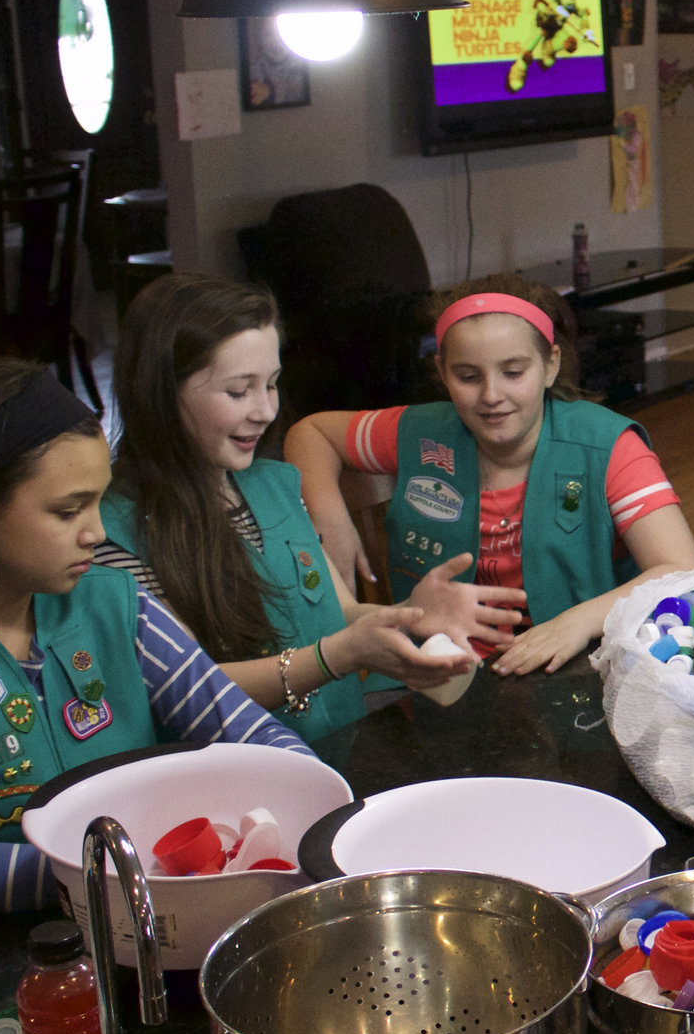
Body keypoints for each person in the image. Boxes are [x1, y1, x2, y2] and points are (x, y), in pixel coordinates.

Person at [0, 362, 319, 967]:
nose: (95, 533)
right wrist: (120, 870)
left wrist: (303, 803)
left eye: (98, 502)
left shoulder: (111, 604)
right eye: (67, 510)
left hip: (112, 931)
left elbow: (246, 730)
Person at [98, 275, 513, 740]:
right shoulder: (115, 538)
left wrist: (409, 614)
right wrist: (335, 657)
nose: (265, 410)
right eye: (238, 391)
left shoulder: (275, 486)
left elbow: (335, 616)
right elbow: (187, 691)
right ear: (160, 391)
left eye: (272, 384)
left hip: (338, 753)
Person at [289, 272, 694, 675]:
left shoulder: (606, 445)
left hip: (574, 669)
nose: (491, 396)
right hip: (436, 673)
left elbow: (681, 569)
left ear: (550, 365)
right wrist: (330, 519)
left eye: (513, 372)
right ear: (442, 371)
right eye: (467, 377)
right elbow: (310, 434)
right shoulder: (417, 432)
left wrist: (576, 622)